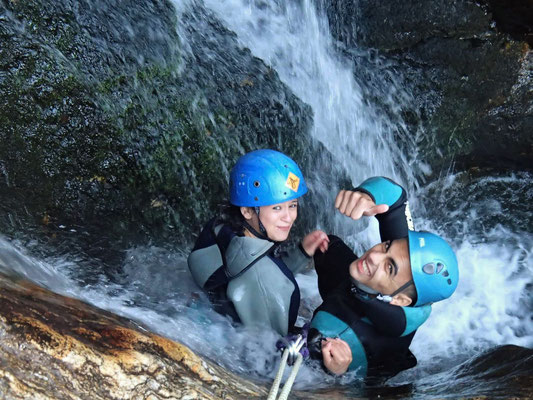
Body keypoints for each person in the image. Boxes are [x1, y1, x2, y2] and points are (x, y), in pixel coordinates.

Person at [306, 176, 459, 379]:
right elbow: (396, 199)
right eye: (387, 246)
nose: (374, 255)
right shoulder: (406, 261)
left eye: (389, 268)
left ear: (401, 301)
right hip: (361, 291)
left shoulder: (351, 336)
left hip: (353, 339)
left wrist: (337, 374)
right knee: (326, 247)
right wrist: (367, 196)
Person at [188, 149, 329, 336]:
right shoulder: (270, 285)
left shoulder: (221, 228)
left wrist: (301, 253)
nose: (289, 217)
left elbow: (253, 265)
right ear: (246, 211)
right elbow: (272, 351)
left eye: (292, 205)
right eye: (277, 207)